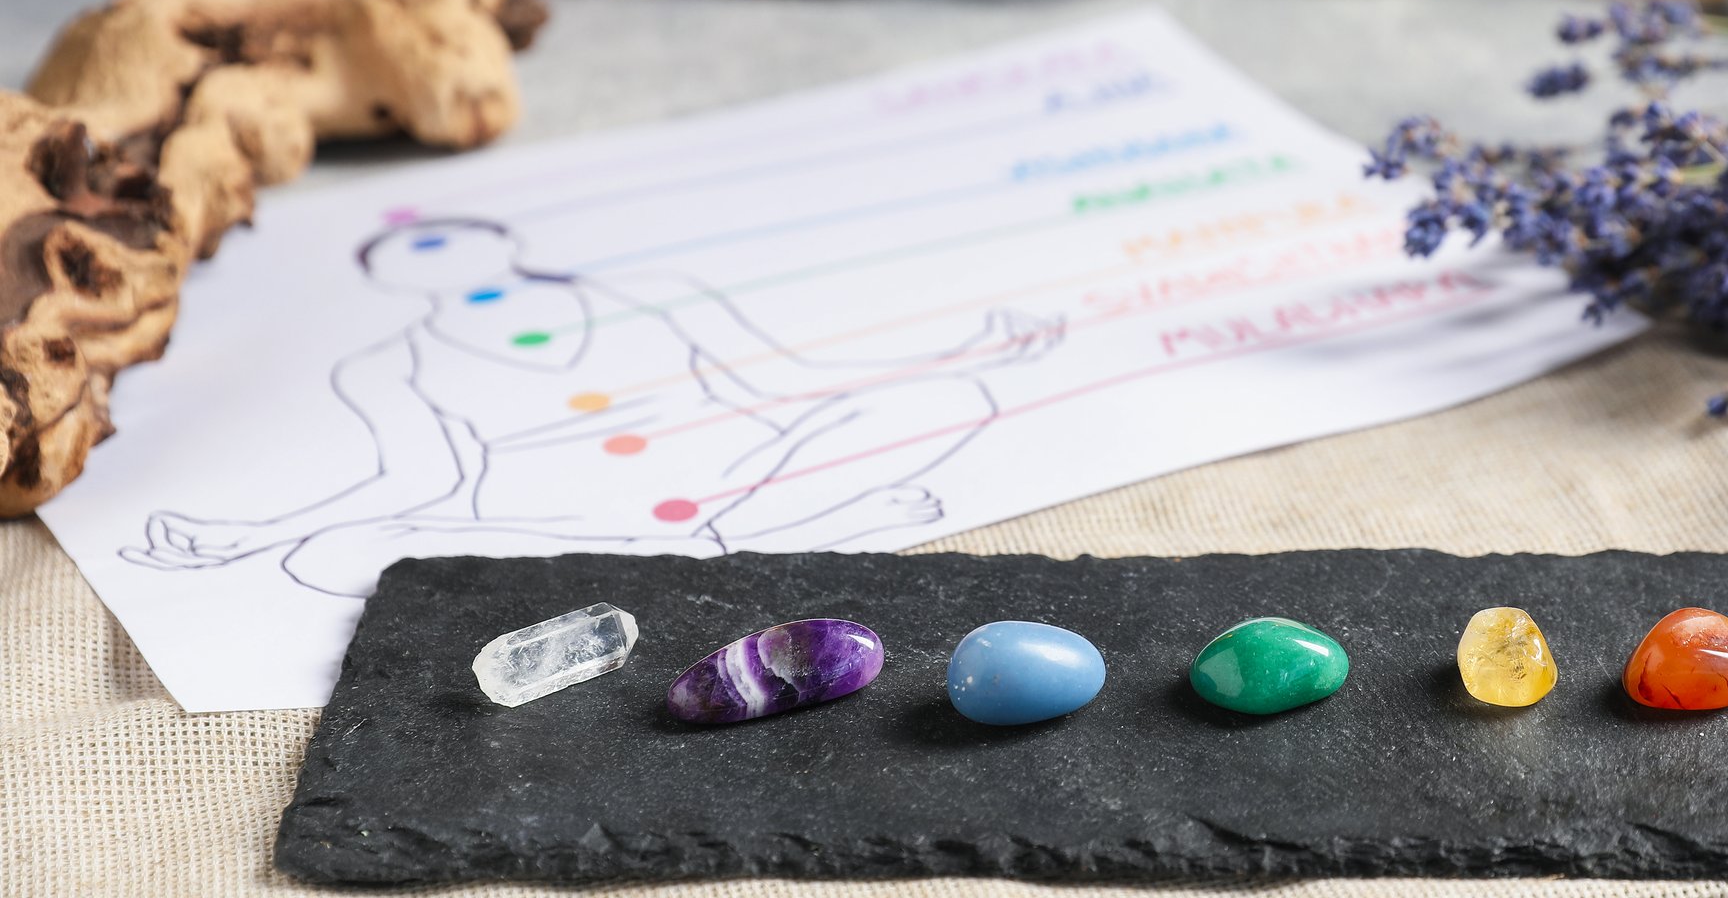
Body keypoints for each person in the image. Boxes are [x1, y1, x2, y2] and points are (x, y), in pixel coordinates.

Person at [124, 216, 1062, 596]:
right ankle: (765, 534)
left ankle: (737, 527)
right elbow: (419, 479)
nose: (436, 256)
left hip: (740, 467)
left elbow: (776, 381)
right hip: (557, 517)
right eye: (411, 255)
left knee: (952, 399)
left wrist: (962, 351)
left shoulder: (648, 286)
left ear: (497, 238)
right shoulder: (386, 363)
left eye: (449, 238)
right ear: (384, 281)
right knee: (330, 558)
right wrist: (247, 537)